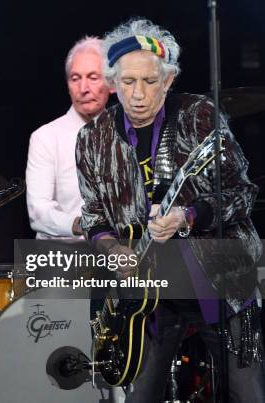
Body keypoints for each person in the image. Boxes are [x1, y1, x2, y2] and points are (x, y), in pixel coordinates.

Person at [76, 18, 264, 402]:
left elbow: (242, 193)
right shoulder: (93, 138)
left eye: (150, 81)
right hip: (146, 292)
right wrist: (114, 250)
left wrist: (189, 216)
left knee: (247, 392)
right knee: (141, 393)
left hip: (216, 277)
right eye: (128, 83)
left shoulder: (199, 116)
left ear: (169, 79)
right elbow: (94, 215)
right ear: (112, 83)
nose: (139, 94)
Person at [26, 36, 112, 239]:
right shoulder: (45, 137)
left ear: (112, 82)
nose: (83, 88)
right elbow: (39, 213)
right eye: (75, 78)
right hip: (64, 260)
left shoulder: (126, 133)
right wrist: (89, 227)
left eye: (93, 77)